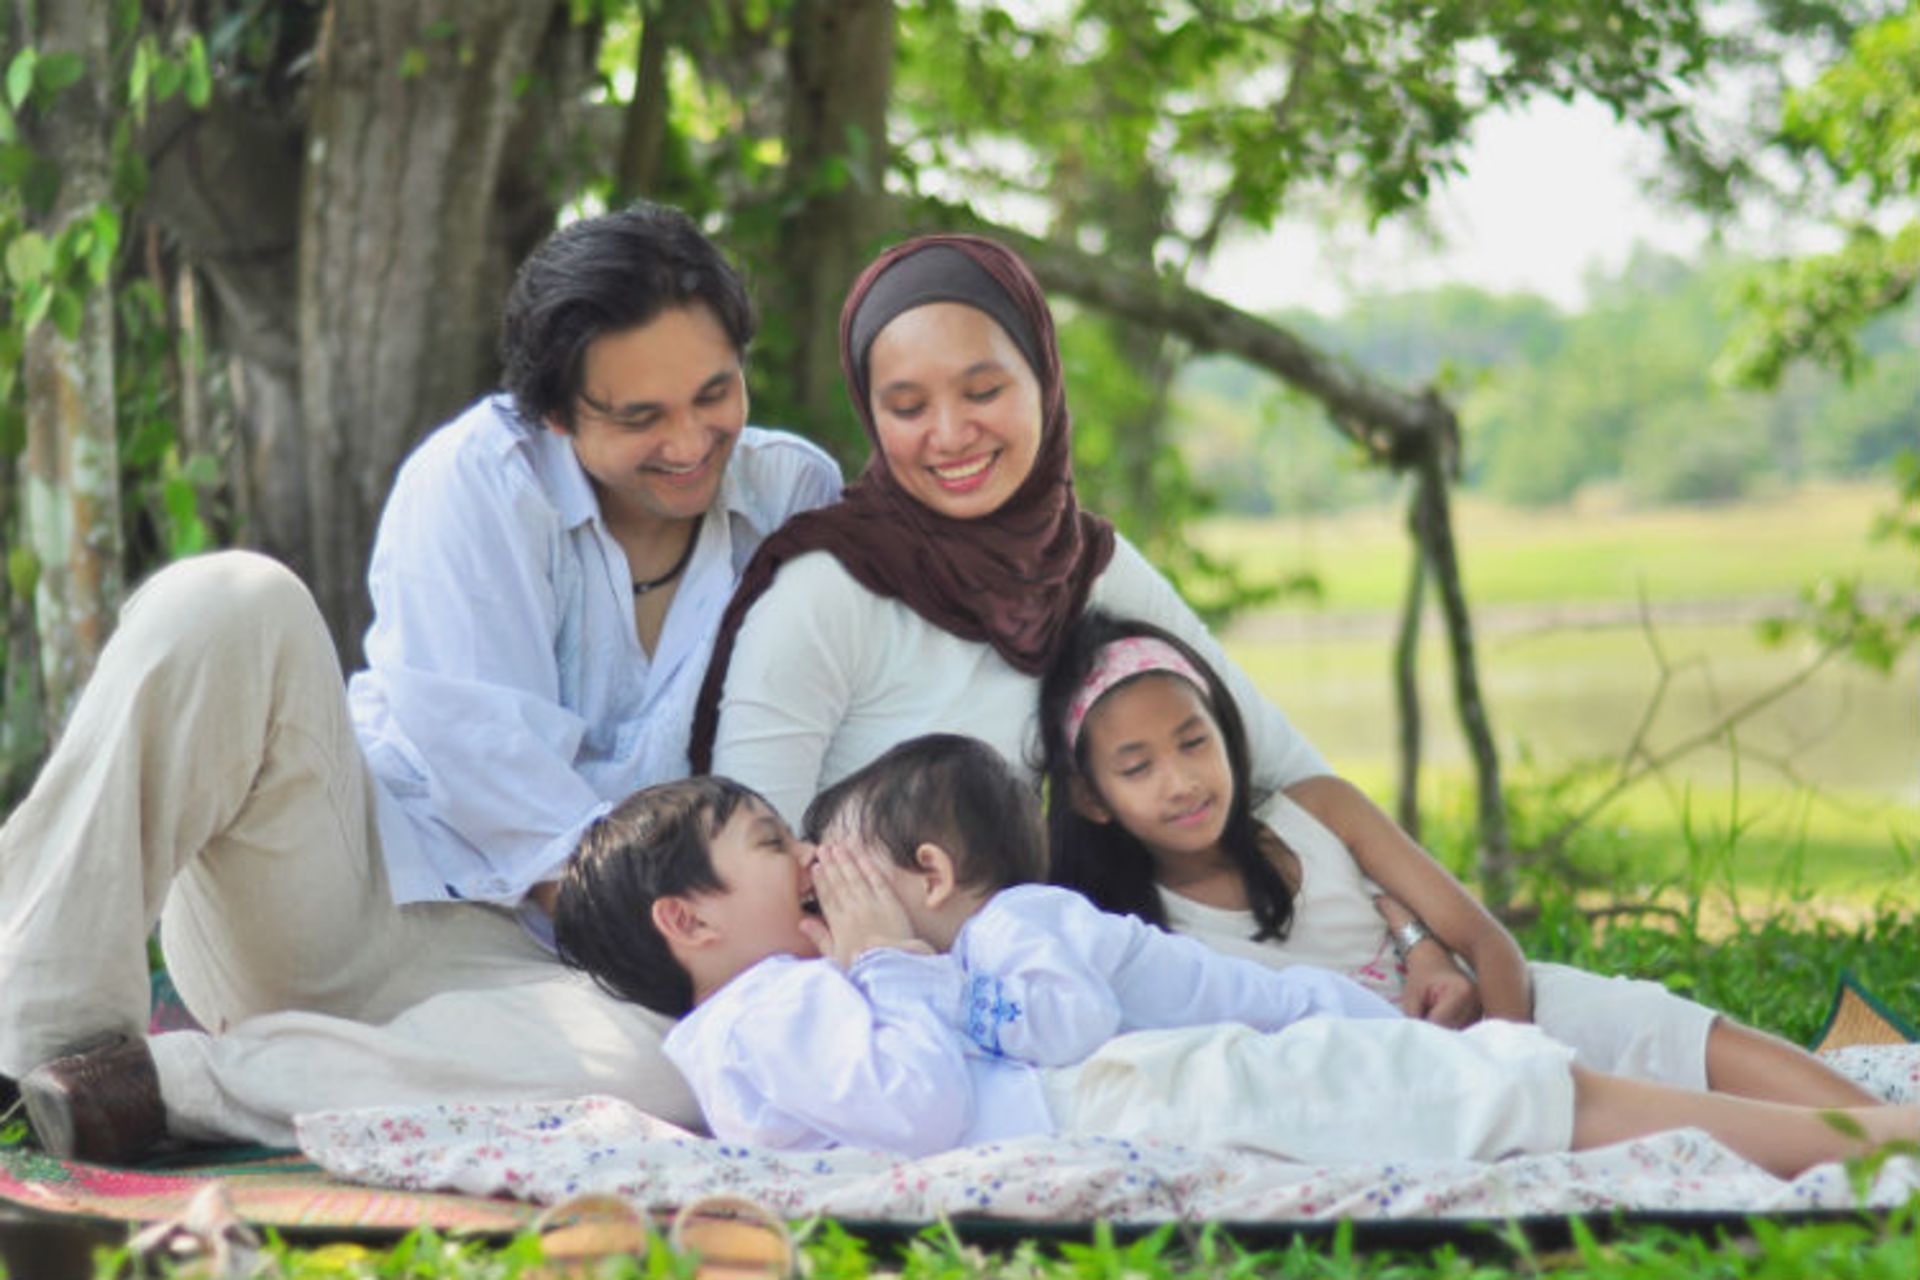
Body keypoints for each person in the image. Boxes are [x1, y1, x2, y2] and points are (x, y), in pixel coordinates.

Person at [0, 202, 841, 1162]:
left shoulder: (794, 496)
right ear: (556, 415)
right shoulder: (478, 479)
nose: (689, 441)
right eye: (639, 417)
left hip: (559, 992)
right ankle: (32, 1039)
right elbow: (484, 773)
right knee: (229, 600)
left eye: (714, 394)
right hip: (351, 900)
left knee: (687, 1069)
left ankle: (167, 1087)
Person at [552, 738, 1918, 1176]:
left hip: (1144, 1084)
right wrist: (887, 962)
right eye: (771, 844)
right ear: (689, 921)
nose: (809, 859)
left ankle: (1864, 1135)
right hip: (1129, 1099)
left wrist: (887, 962)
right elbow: (916, 1103)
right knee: (1502, 1089)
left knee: (1506, 1085)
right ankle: (1866, 1141)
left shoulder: (804, 991)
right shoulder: (763, 1012)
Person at [1038, 610, 1881, 1108]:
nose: (1182, 781)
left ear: (1227, 734)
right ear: (1091, 797)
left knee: (1650, 1024)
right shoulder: (1132, 934)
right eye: (1138, 767)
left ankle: (1886, 1132)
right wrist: (1500, 1093)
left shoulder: (1318, 810)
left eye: (1195, 742)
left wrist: (1512, 1053)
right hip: (1410, 1095)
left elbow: (1486, 941)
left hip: (1510, 1020)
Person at [686, 233, 1322, 831]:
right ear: (871, 415)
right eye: (908, 408)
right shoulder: (824, 593)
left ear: (1044, 381)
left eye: (984, 391)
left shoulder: (1080, 566)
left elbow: (1281, 765)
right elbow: (746, 859)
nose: (950, 434)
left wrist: (1381, 897)